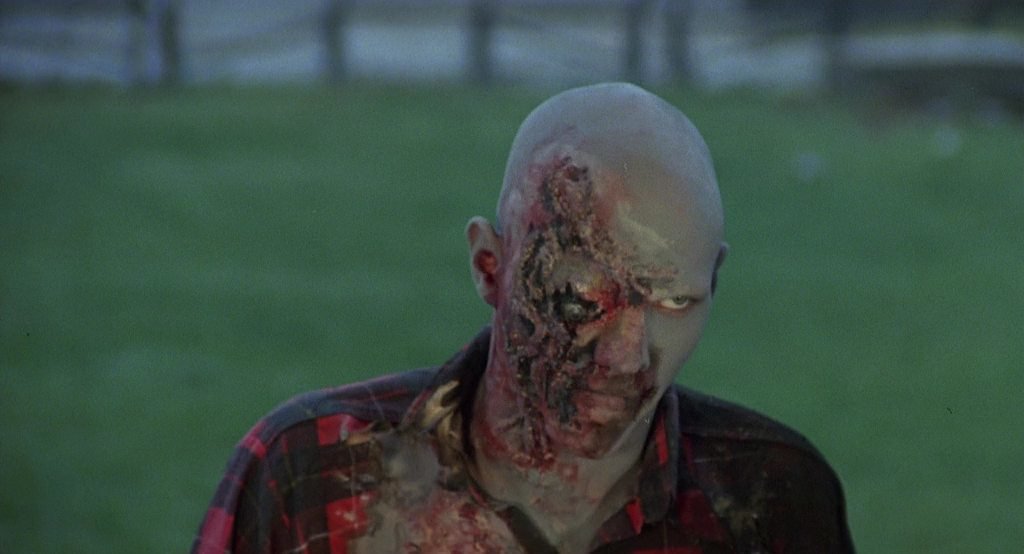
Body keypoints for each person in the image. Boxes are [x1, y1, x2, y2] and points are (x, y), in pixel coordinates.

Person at [192, 83, 854, 553]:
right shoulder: (308, 474)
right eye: (583, 299)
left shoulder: (774, 500)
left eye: (676, 302)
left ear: (716, 279)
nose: (628, 354)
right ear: (490, 267)